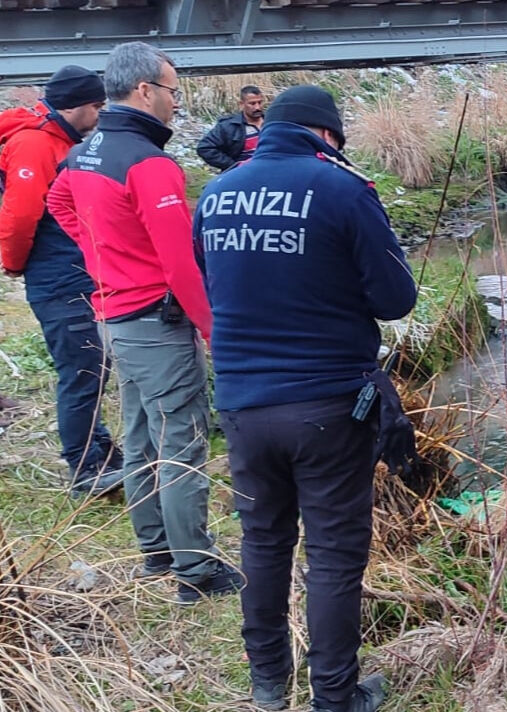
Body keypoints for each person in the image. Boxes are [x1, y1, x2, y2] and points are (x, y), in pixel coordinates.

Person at [194, 85, 418, 712]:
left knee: (262, 543)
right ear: (328, 135)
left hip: (242, 404)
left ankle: (268, 685)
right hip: (325, 405)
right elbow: (396, 299)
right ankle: (334, 697)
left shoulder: (216, 193)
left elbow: (211, 282)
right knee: (333, 554)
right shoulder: (345, 189)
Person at [47, 42, 240, 603]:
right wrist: (213, 330)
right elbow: (180, 262)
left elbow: (58, 203)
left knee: (137, 434)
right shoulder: (149, 162)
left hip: (114, 316)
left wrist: (101, 253)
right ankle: (196, 570)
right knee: (181, 439)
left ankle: (155, 549)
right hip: (155, 319)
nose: (177, 103)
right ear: (145, 91)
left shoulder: (86, 151)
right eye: (173, 91)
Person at [0, 65, 123, 498]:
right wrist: (15, 263)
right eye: (96, 106)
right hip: (56, 275)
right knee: (82, 366)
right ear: (78, 105)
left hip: (67, 270)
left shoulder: (55, 140)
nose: (99, 115)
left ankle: (100, 451)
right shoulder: (35, 144)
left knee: (90, 364)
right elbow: (19, 216)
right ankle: (86, 468)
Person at [196, 84, 264, 171]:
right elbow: (205, 148)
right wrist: (233, 166)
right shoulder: (228, 126)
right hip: (242, 176)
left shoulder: (271, 122)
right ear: (241, 104)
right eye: (252, 104)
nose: (257, 107)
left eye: (260, 102)